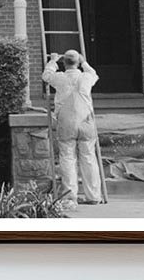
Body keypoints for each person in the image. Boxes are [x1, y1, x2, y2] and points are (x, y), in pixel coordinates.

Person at [42, 49, 103, 207]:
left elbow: (46, 75)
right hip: (86, 121)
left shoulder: (60, 78)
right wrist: (84, 62)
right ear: (77, 62)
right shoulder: (86, 77)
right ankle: (94, 195)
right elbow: (94, 73)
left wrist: (53, 60)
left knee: (68, 158)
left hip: (66, 121)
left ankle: (70, 197)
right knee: (89, 158)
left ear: (64, 63)